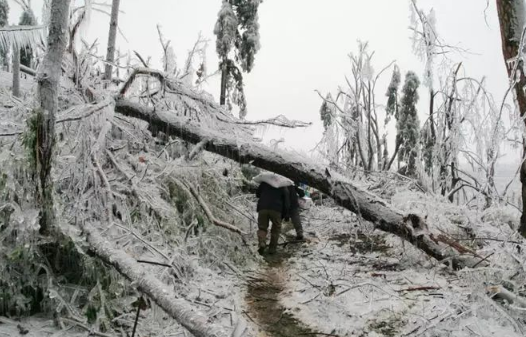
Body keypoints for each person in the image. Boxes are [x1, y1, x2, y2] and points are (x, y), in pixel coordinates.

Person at [255, 181, 290, 255]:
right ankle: (272, 249)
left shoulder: (264, 182)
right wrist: (285, 214)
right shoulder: (282, 185)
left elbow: (257, 194)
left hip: (263, 207)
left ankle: (262, 243)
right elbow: (287, 201)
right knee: (276, 230)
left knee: (262, 228)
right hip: (276, 210)